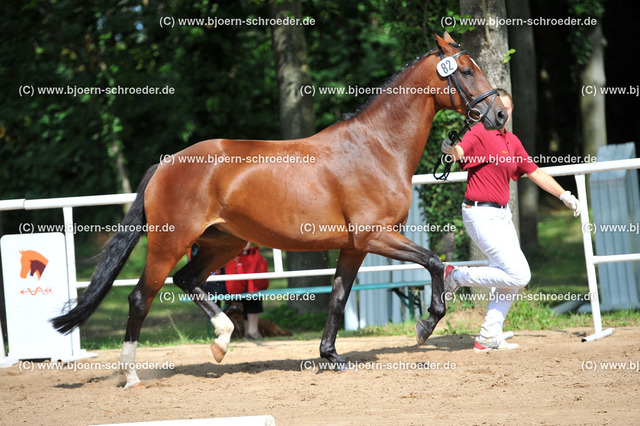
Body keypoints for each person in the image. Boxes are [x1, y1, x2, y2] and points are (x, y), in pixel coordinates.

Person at [440, 88, 580, 352]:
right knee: (519, 274)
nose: (502, 114)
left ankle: (487, 336)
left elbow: (534, 172)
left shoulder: (512, 141)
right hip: (479, 214)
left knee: (509, 278)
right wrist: (451, 150)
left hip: (502, 216)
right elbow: (459, 151)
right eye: (498, 109)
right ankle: (456, 275)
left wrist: (564, 195)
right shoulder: (479, 132)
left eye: (507, 109)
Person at [192, 242, 270, 339]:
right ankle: (250, 332)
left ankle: (250, 332)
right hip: (220, 283)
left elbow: (245, 246)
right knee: (250, 291)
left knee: (251, 292)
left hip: (228, 282)